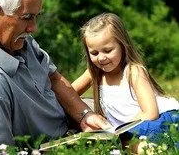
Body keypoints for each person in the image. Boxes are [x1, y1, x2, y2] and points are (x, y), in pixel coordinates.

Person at [0, 0, 111, 153]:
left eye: (36, 16)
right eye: (27, 18)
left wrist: (84, 115)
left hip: (72, 124)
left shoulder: (14, 39)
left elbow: (53, 78)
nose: (33, 28)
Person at [72, 12, 179, 153]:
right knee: (117, 144)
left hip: (161, 120)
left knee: (128, 142)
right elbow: (69, 94)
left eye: (108, 50)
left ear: (122, 45)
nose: (101, 58)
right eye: (94, 53)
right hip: (127, 130)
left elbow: (150, 113)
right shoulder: (94, 73)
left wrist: (121, 130)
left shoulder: (134, 72)